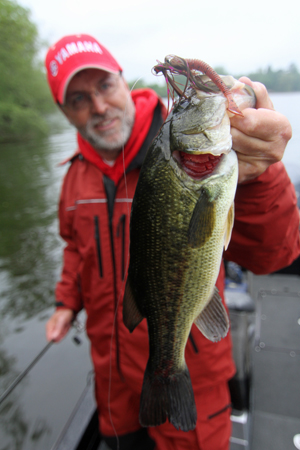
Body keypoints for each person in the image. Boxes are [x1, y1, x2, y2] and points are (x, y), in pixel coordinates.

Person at [45, 34, 300, 450]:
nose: (98, 106)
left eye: (104, 86)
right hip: (110, 375)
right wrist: (64, 302)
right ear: (64, 111)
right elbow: (75, 250)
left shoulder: (185, 146)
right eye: (77, 98)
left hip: (193, 370)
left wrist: (256, 179)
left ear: (122, 80)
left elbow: (275, 254)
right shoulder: (74, 176)